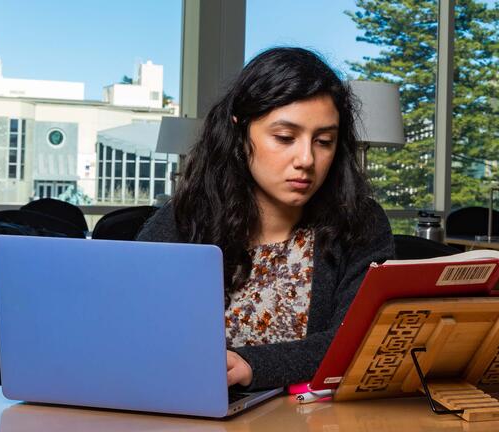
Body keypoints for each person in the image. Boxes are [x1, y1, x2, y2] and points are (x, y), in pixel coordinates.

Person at [137, 47, 395, 390]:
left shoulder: (360, 222)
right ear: (240, 130)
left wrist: (251, 366)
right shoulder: (186, 218)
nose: (306, 159)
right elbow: (131, 323)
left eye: (324, 141)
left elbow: (357, 341)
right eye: (285, 138)